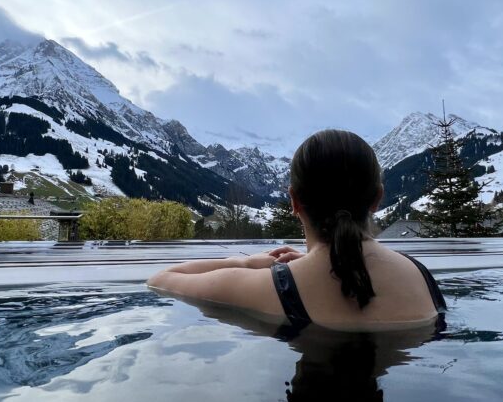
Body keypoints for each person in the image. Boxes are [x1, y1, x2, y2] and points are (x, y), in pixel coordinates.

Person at [147, 129, 446, 332]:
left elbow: (160, 280)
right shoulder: (420, 275)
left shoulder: (270, 288)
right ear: (377, 199)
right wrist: (312, 258)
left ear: (294, 201)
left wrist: (245, 263)